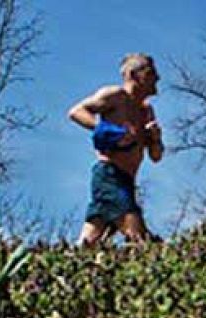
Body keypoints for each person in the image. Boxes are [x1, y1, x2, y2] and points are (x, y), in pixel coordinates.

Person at [69, 53, 165, 246]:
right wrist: (109, 131)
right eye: (151, 72)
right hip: (109, 176)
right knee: (140, 238)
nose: (157, 78)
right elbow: (76, 112)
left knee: (90, 240)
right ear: (133, 74)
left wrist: (155, 139)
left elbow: (156, 157)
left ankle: (61, 267)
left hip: (127, 181)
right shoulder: (115, 97)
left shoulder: (146, 111)